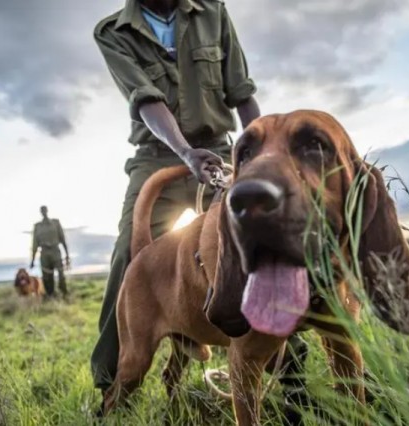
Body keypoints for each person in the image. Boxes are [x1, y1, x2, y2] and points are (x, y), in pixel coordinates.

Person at [90, 0, 261, 409]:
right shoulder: (113, 31)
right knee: (127, 260)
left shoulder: (212, 12)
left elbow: (241, 92)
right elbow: (145, 99)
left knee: (261, 243)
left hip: (219, 150)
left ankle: (290, 378)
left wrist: (259, 157)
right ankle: (110, 387)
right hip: (156, 153)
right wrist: (185, 153)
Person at [30, 205, 70, 298]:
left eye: (45, 210)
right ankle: (50, 294)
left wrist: (67, 255)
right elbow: (34, 244)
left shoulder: (55, 223)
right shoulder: (38, 226)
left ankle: (64, 292)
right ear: (40, 212)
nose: (44, 212)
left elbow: (63, 239)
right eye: (42, 211)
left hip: (55, 250)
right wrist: (32, 260)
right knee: (47, 276)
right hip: (44, 252)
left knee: (61, 273)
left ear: (47, 211)